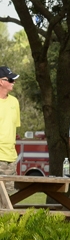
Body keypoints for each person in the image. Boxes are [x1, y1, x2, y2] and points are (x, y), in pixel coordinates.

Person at [0, 66, 20, 195]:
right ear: (1, 81)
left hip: (11, 159)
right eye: (11, 80)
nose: (14, 82)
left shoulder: (14, 102)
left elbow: (14, 130)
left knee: (10, 199)